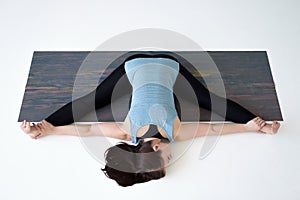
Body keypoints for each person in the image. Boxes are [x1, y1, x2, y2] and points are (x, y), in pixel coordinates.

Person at [20, 52, 280, 187]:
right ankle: (39, 125)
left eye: (167, 158)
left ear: (156, 147)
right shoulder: (126, 131)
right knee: (95, 99)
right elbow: (86, 130)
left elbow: (213, 128)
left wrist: (251, 127)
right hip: (133, 63)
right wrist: (49, 128)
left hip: (169, 64)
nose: (172, 156)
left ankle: (263, 124)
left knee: (209, 102)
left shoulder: (174, 131)